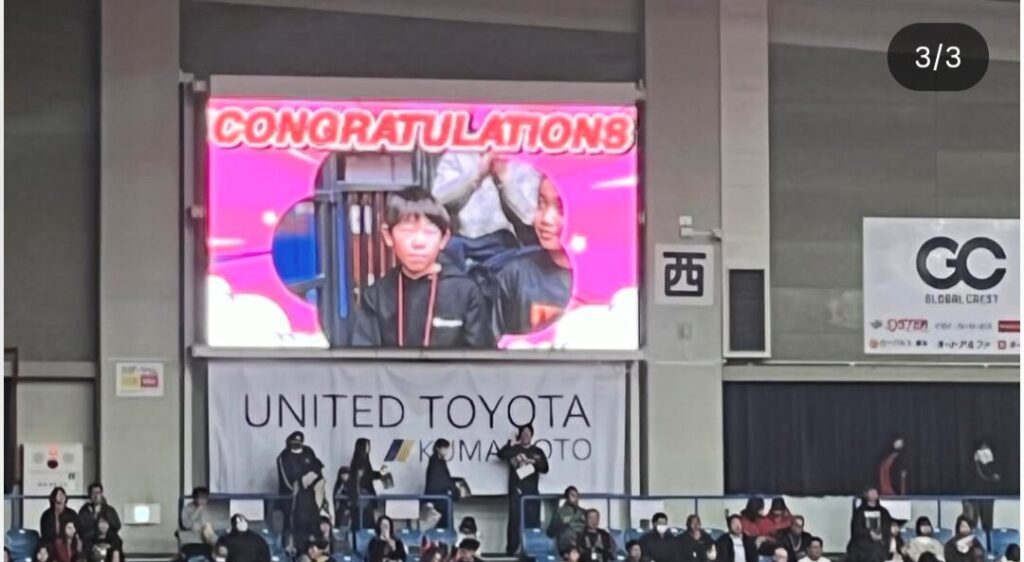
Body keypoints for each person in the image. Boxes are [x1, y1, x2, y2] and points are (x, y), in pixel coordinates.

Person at [350, 187, 492, 348]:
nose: (419, 242)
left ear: (444, 238)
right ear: (388, 236)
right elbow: (364, 357)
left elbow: (481, 357)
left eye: (429, 232)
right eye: (407, 231)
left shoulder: (466, 292)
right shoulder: (377, 295)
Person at [491, 176, 573, 338]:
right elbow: (497, 345)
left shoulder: (612, 280)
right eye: (542, 204)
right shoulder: (515, 274)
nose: (546, 219)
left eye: (561, 208)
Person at [431, 151, 542, 268]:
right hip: (459, 246)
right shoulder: (456, 154)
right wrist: (477, 176)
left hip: (505, 248)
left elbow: (530, 216)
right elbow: (437, 202)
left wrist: (504, 181)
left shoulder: (524, 160)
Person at [497, 424, 550, 554]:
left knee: (533, 521)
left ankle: (532, 550)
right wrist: (510, 444)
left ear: (532, 435)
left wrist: (533, 463)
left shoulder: (537, 451)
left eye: (528, 433)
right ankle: (512, 549)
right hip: (516, 491)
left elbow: (545, 468)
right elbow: (501, 454)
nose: (526, 435)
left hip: (532, 492)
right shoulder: (514, 449)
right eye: (523, 433)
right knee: (514, 521)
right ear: (520, 435)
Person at [277, 431, 331, 539]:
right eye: (294, 441)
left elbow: (317, 469)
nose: (297, 443)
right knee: (294, 525)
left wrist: (315, 480)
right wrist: (297, 487)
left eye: (299, 441)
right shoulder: (284, 456)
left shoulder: (308, 451)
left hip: (311, 494)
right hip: (292, 495)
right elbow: (286, 479)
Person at [346, 438, 389, 530]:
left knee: (366, 521)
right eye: (367, 445)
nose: (369, 448)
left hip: (365, 496)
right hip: (363, 497)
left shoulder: (365, 460)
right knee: (364, 521)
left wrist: (380, 474)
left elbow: (369, 475)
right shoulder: (360, 461)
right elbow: (359, 478)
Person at [847, 488, 893, 562]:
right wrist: (869, 533)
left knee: (878, 550)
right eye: (871, 492)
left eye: (875, 492)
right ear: (866, 494)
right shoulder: (859, 512)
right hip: (862, 544)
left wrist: (881, 535)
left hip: (879, 543)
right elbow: (856, 529)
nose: (874, 494)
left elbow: (887, 526)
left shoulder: (884, 512)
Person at [964, 440, 1000, 531]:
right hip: (973, 496)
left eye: (986, 449)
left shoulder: (992, 465)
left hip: (987, 496)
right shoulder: (972, 464)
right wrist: (976, 463)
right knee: (971, 525)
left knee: (987, 526)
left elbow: (996, 478)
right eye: (982, 449)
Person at [424, 439, 460, 528]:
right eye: (444, 448)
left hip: (439, 496)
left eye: (447, 448)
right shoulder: (435, 462)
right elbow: (442, 480)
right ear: (438, 448)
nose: (446, 451)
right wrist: (454, 491)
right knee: (446, 519)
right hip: (437, 497)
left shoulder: (440, 462)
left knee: (445, 519)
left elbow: (445, 479)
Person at [77, 483, 121, 550]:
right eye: (93, 493)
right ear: (90, 495)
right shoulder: (85, 510)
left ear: (101, 494)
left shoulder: (109, 509)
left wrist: (106, 528)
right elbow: (80, 527)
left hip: (107, 537)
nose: (96, 496)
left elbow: (117, 525)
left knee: (117, 541)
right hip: (90, 539)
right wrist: (93, 518)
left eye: (98, 493)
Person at [548, 486, 587, 553]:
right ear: (567, 498)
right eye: (573, 495)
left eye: (577, 496)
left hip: (582, 545)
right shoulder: (559, 512)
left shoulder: (583, 512)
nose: (576, 498)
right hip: (566, 545)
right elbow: (551, 531)